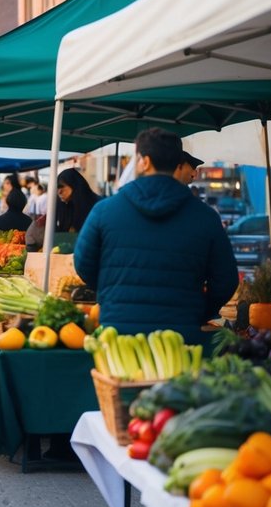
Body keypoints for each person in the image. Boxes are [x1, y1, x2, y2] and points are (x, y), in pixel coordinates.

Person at [74, 127, 238, 344]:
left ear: (145, 161)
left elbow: (83, 264)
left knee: (117, 380)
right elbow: (226, 280)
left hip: (118, 336)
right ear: (178, 163)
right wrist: (199, 309)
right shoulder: (206, 217)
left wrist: (112, 293)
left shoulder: (104, 211)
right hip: (181, 335)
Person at [56, 167, 100, 234]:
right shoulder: (62, 206)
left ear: (73, 185)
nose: (59, 192)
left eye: (62, 187)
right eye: (57, 188)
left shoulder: (96, 206)